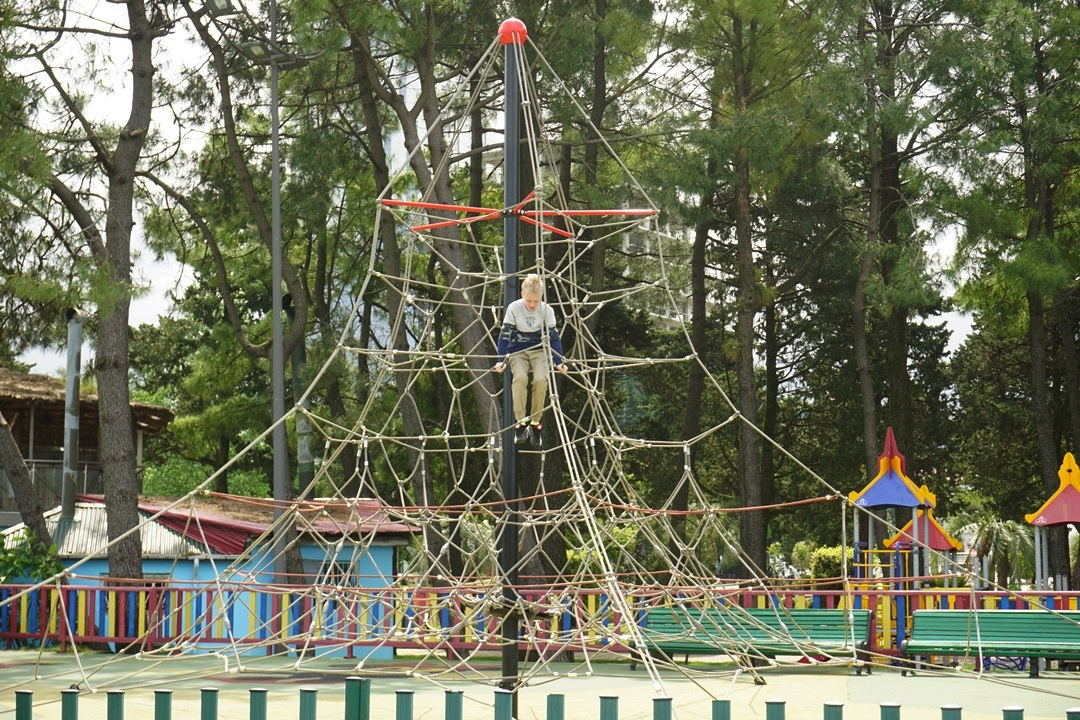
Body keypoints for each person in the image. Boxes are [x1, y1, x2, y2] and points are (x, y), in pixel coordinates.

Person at [493, 274, 567, 447]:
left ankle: (535, 422)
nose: (532, 305)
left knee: (541, 380)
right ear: (522, 295)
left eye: (536, 301)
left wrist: (558, 361)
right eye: (529, 301)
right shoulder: (514, 308)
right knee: (520, 378)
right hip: (518, 351)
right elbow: (504, 336)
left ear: (541, 296)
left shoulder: (547, 310)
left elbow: (554, 338)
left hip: (539, 351)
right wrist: (500, 359)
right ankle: (520, 422)